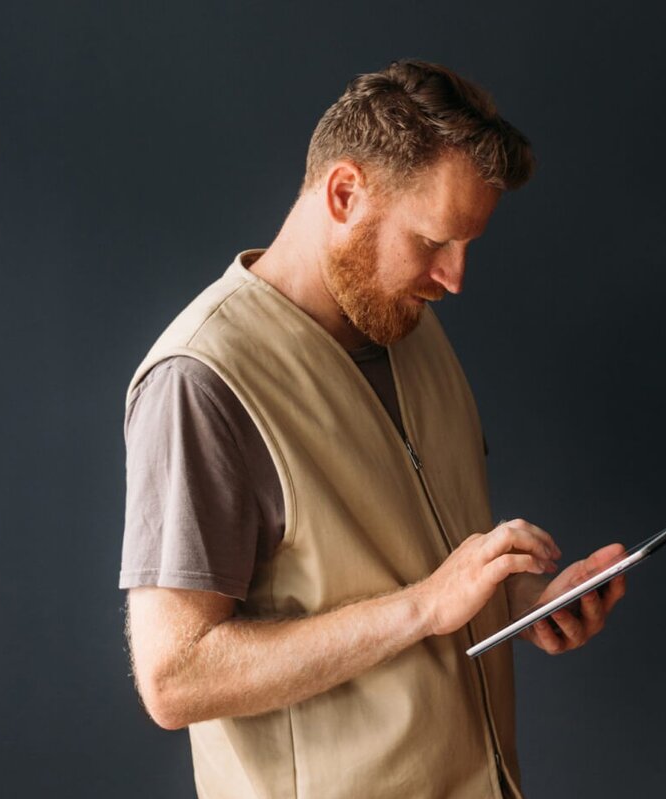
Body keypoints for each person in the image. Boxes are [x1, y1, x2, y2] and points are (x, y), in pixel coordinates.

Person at [119, 59, 627, 799]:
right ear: (345, 193)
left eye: (467, 246)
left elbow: (409, 566)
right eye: (432, 242)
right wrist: (424, 606)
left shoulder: (406, 322)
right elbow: (177, 675)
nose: (455, 278)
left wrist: (517, 602)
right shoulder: (202, 380)